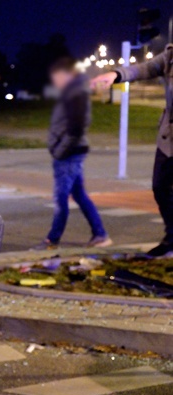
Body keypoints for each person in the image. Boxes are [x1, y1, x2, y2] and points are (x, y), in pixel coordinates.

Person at [93, 45, 173, 257]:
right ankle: (171, 238)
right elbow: (143, 69)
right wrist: (116, 74)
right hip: (169, 139)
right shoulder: (170, 56)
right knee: (160, 188)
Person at [33, 57, 111, 250]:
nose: (55, 81)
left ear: (68, 74)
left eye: (57, 77)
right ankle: (100, 234)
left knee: (60, 198)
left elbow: (76, 128)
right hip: (70, 153)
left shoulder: (76, 94)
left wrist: (59, 151)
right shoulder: (73, 92)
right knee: (80, 195)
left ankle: (52, 240)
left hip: (69, 154)